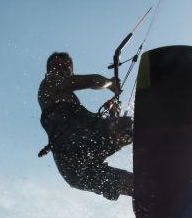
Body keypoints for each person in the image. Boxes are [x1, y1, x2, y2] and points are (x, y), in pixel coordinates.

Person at [38, 52, 134, 201]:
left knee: (129, 183)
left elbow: (101, 133)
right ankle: (161, 136)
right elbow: (90, 81)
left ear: (71, 72)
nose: (61, 70)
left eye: (66, 67)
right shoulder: (49, 83)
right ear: (48, 72)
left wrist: (113, 115)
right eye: (56, 67)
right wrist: (110, 83)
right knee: (125, 126)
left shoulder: (69, 100)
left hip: (73, 169)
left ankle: (154, 192)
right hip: (73, 149)